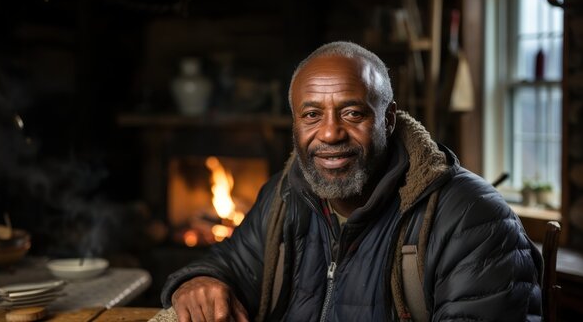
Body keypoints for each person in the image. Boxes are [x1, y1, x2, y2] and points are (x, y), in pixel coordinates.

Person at [161, 41, 543, 321]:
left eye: (352, 113)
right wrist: (196, 280)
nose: (330, 134)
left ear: (389, 118)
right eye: (311, 115)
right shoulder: (285, 196)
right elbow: (228, 264)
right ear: (294, 123)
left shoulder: (470, 216)